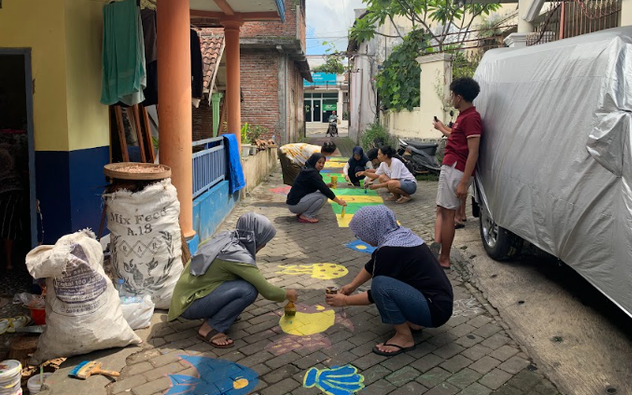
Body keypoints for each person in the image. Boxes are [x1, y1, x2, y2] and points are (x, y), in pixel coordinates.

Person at [325, 206, 453, 357]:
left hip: (434, 309)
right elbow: (373, 264)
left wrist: (345, 301)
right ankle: (415, 322)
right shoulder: (399, 237)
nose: (361, 238)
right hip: (437, 303)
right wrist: (352, 286)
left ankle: (404, 338)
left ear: (371, 230)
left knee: (381, 285)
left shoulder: (391, 249)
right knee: (384, 283)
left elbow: (377, 293)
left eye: (360, 234)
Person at [168, 212, 298, 348]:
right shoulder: (236, 256)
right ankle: (210, 328)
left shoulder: (226, 238)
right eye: (264, 240)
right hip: (189, 305)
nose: (264, 245)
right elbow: (268, 292)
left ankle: (218, 315)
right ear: (256, 237)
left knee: (243, 283)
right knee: (248, 290)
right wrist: (288, 294)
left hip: (185, 297)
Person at [432, 77, 482, 269]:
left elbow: (474, 151)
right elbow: (456, 137)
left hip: (455, 169)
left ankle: (444, 258)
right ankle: (438, 248)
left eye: (452, 95)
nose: (451, 98)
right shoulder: (464, 116)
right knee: (442, 211)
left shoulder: (471, 118)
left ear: (459, 97)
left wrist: (463, 182)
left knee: (447, 215)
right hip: (452, 167)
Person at [286, 153, 347, 224]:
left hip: (293, 203)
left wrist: (325, 185)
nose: (321, 165)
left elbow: (312, 186)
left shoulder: (307, 169)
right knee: (323, 196)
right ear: (314, 161)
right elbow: (326, 191)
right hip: (295, 205)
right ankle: (306, 215)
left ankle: (302, 212)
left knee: (320, 192)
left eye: (323, 163)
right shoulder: (312, 173)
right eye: (319, 162)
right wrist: (339, 202)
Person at [0, 148, 24, 271]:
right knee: (9, 223)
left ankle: (9, 262)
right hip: (14, 190)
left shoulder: (3, 151)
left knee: (7, 224)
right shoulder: (9, 148)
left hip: (9, 191)